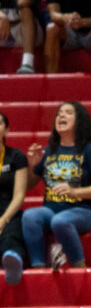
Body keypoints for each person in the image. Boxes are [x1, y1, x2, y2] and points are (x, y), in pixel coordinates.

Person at [23, 102, 91, 271]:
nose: (61, 116)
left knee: (61, 221)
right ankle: (38, 269)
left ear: (79, 121)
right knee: (30, 216)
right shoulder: (48, 151)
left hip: (84, 211)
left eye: (68, 113)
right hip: (50, 210)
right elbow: (28, 185)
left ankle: (80, 267)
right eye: (59, 113)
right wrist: (31, 166)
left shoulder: (90, 150)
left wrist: (75, 191)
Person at [0, 110, 29, 285]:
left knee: (10, 232)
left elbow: (19, 195)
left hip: (8, 209)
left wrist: (3, 219)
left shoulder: (16, 156)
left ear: (7, 130)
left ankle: (12, 261)